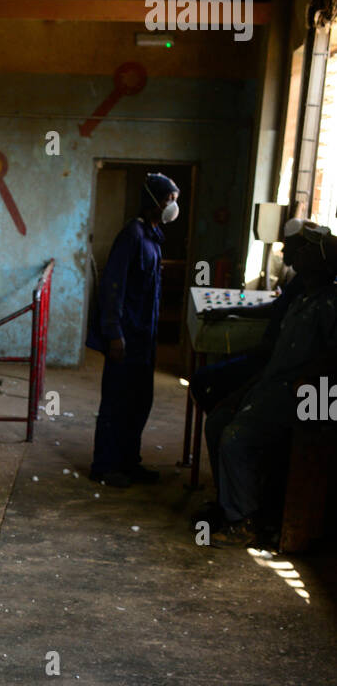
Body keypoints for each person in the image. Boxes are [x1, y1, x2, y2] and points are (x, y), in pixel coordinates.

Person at [203, 224, 337, 545]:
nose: (299, 253)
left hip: (301, 395)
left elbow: (333, 358)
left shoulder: (330, 304)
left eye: (307, 250)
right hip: (272, 385)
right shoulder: (302, 296)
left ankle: (244, 521)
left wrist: (307, 383)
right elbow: (277, 357)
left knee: (236, 439)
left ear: (321, 262)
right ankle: (230, 504)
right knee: (218, 421)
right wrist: (242, 392)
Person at [88, 172, 180, 488]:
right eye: (169, 199)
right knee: (116, 402)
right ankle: (104, 465)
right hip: (125, 338)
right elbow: (113, 287)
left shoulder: (153, 236)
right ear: (154, 201)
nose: (173, 205)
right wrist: (114, 334)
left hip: (144, 339)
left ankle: (129, 461)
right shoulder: (132, 236)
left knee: (139, 403)